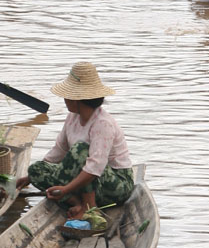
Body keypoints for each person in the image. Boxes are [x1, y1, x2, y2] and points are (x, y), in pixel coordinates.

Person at [16, 62, 134, 219]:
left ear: (76, 99)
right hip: (87, 181)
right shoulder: (72, 118)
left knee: (81, 150)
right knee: (36, 169)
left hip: (115, 184)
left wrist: (65, 189)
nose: (64, 99)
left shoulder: (102, 123)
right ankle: (76, 202)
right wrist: (30, 178)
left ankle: (89, 207)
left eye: (67, 95)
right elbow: (59, 150)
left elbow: (95, 167)